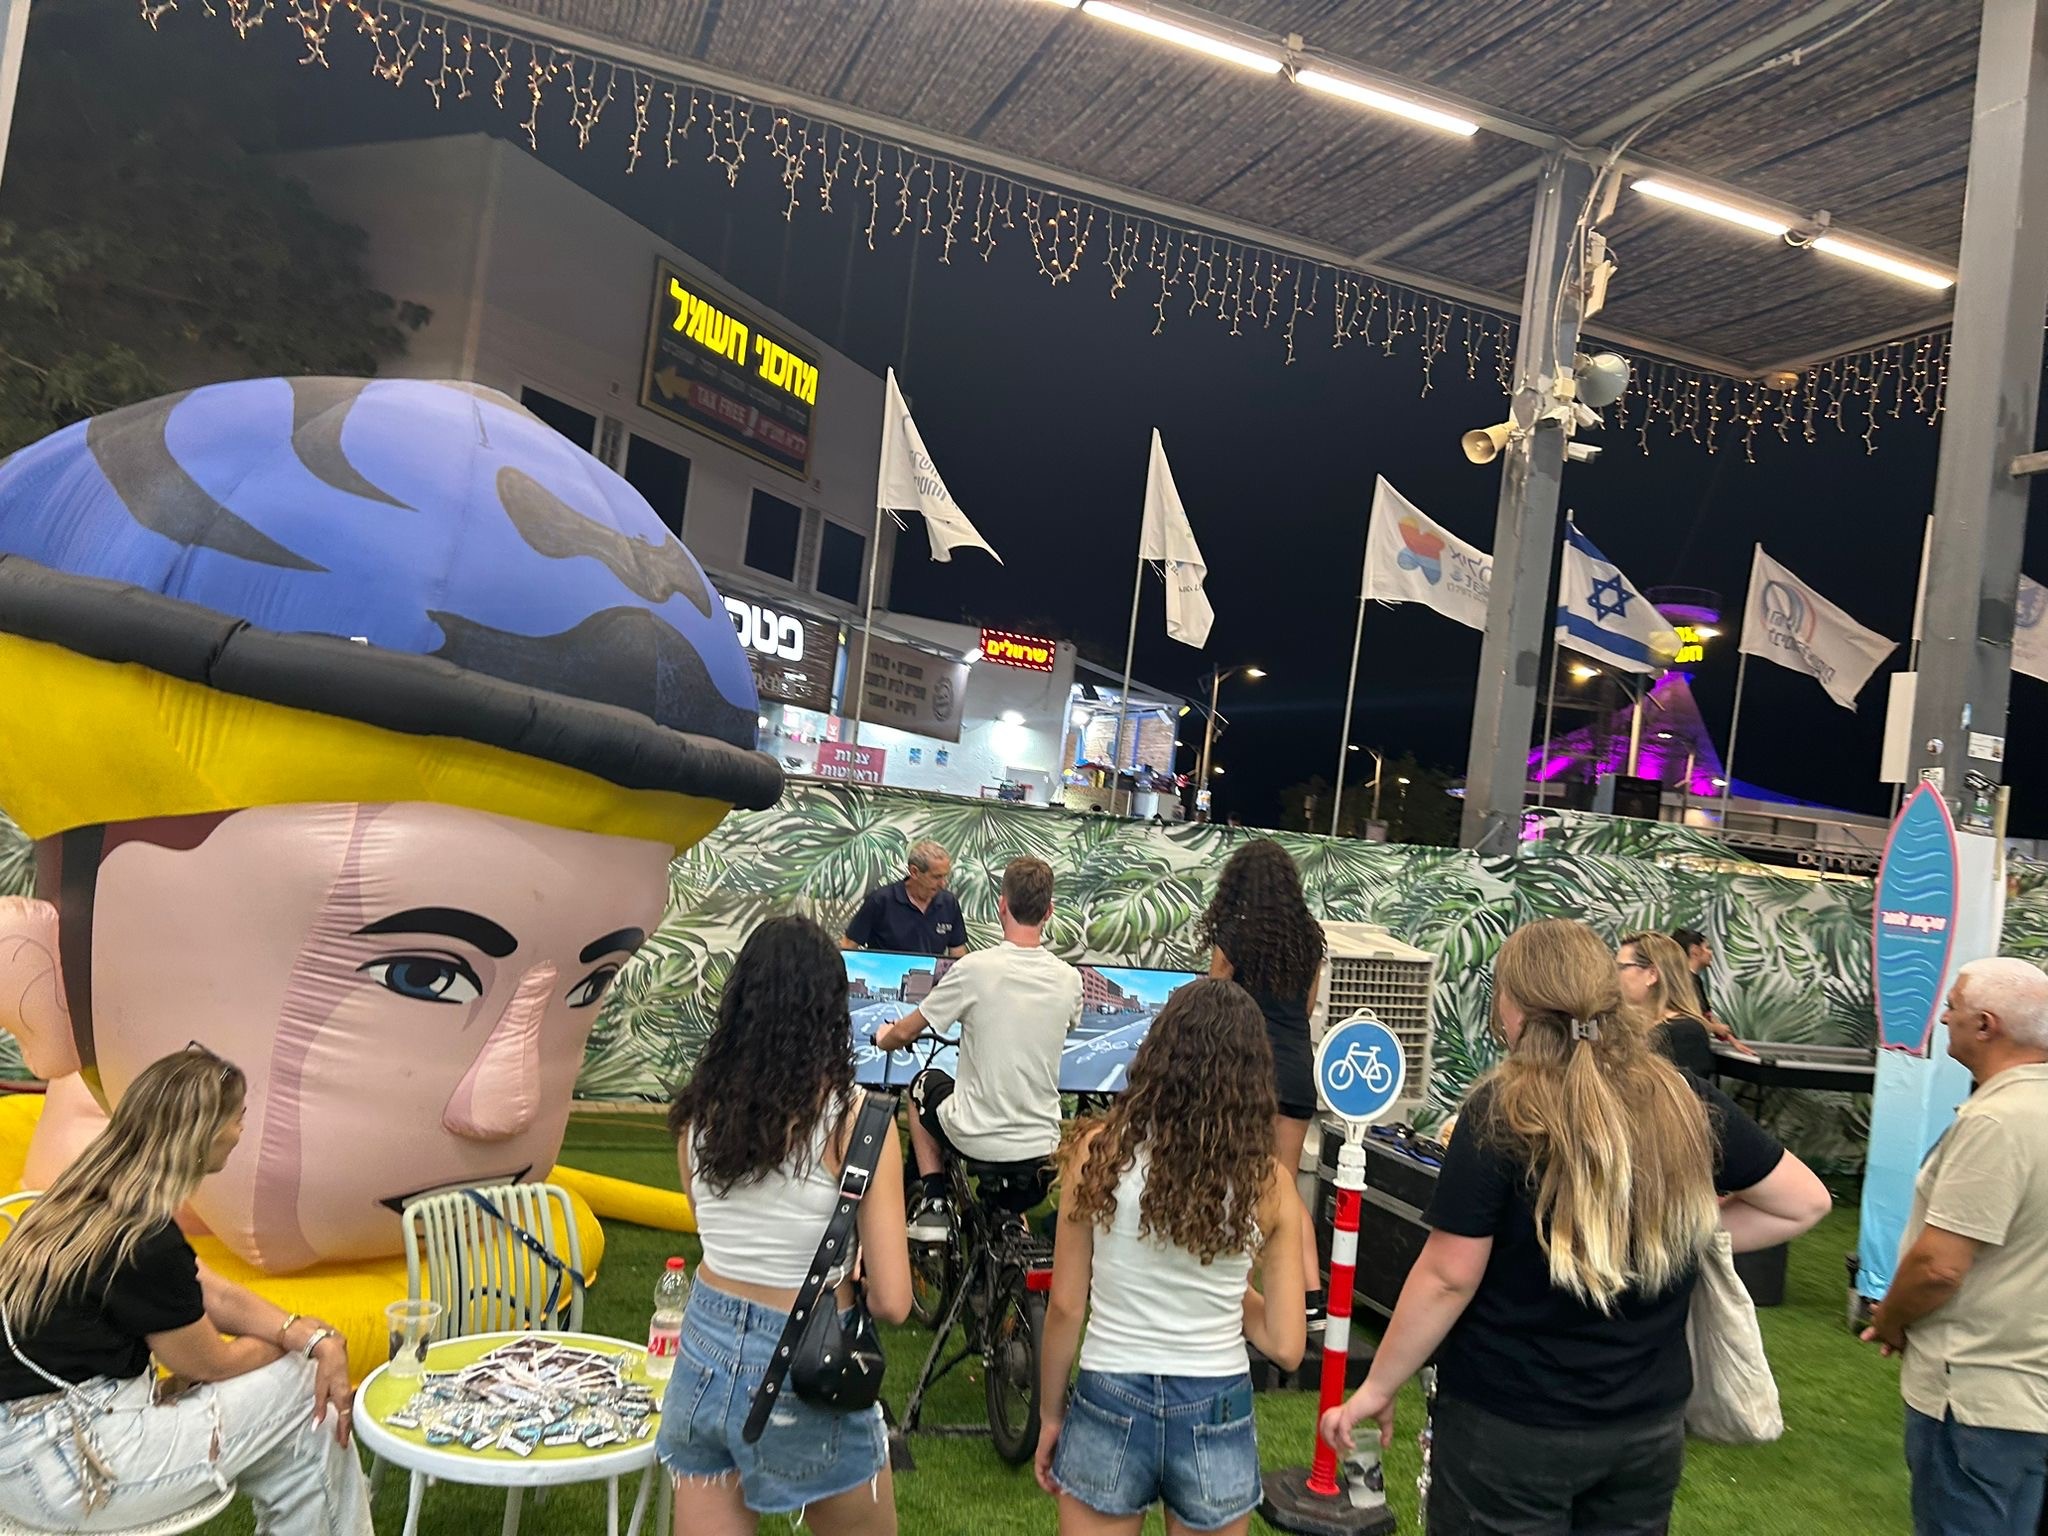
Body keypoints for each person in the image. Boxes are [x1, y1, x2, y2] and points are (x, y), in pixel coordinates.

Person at [1320, 918, 1831, 1534]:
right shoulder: (1680, 1096)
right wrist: (1671, 1233)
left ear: (1513, 1006)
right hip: (1644, 1428)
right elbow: (1803, 1202)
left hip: (1511, 1424)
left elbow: (1449, 1277)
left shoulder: (1500, 1110)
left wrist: (1378, 1386)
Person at [0, 1045, 372, 1535]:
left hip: (25, 1452)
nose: (241, 1131)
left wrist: (305, 1333)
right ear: (205, 1135)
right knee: (304, 1389)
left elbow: (212, 1291)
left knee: (299, 1429)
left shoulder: (86, 1199)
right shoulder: (144, 1239)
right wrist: (300, 1346)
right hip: (69, 1467)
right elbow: (209, 1365)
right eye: (238, 1118)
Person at [661, 915, 912, 1535]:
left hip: (702, 1348)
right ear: (831, 1010)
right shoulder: (858, 1122)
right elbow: (894, 1301)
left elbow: (713, 1232)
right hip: (807, 1358)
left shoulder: (697, 1119)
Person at [1036, 978, 1307, 1535]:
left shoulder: (1097, 1152)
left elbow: (1065, 1306)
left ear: (1158, 1053)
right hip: (1215, 1400)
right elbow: (1285, 1346)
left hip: (1111, 1388)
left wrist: (1049, 1415)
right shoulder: (1269, 1184)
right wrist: (1226, 1292)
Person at [1862, 957, 2048, 1536]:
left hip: (1977, 1394)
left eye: (1952, 1007)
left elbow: (1939, 1267)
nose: (1944, 1019)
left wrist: (1890, 1319)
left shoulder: (1997, 1121)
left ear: (1986, 1024)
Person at [874, 857, 1081, 1241]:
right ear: (1049, 911)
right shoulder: (1070, 979)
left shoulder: (974, 969)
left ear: (1002, 905)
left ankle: (934, 1202)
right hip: (1044, 1149)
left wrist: (884, 1036)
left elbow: (905, 1032)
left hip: (977, 1137)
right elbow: (1067, 1024)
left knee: (921, 1084)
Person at [1198, 840, 1328, 1328]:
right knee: (1284, 1185)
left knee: (1237, 1180)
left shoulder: (1236, 931)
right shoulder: (1309, 937)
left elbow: (1214, 999)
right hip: (1295, 1067)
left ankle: (1241, 1295)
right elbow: (1308, 1007)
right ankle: (1311, 1296)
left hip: (1247, 1067)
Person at [841, 840, 968, 958]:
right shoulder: (880, 900)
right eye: (936, 877)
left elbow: (958, 953)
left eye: (945, 876)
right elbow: (848, 946)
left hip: (932, 974)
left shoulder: (949, 903)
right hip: (886, 973)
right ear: (914, 872)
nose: (943, 884)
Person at [1617, 930, 1717, 1077]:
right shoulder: (1630, 1025)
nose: (1615, 974)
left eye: (1621, 967)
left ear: (1652, 974)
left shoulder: (1684, 1033)